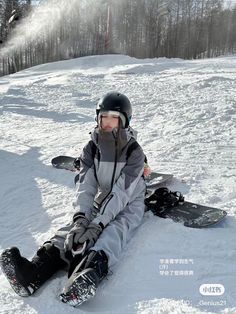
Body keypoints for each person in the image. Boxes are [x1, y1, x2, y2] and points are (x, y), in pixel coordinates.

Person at [0, 92, 148, 307]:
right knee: (69, 233)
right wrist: (80, 220)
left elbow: (121, 194)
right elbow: (86, 186)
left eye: (114, 118)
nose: (107, 124)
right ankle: (31, 274)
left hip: (129, 202)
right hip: (104, 197)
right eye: (103, 118)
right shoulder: (91, 147)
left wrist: (98, 224)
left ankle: (88, 275)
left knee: (114, 232)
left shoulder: (134, 153)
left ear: (124, 121)